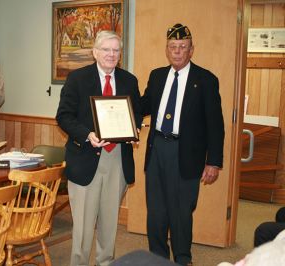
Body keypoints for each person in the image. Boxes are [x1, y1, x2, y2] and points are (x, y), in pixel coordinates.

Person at [140, 23, 225, 266]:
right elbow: (144, 106)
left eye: (182, 47)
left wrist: (214, 162)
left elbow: (215, 125)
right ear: (167, 49)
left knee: (181, 213)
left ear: (191, 50)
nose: (177, 51)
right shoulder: (157, 76)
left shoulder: (206, 80)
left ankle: (182, 259)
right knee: (156, 212)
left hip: (186, 153)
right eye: (172, 47)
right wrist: (119, 110)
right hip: (157, 149)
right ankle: (157, 258)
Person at [56, 30, 142, 266]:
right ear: (95, 52)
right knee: (83, 228)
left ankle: (106, 263)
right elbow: (63, 116)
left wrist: (133, 132)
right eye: (106, 49)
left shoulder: (129, 80)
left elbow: (134, 115)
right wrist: (87, 135)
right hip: (85, 158)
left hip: (117, 160)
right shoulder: (77, 79)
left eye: (116, 50)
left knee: (109, 223)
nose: (111, 55)